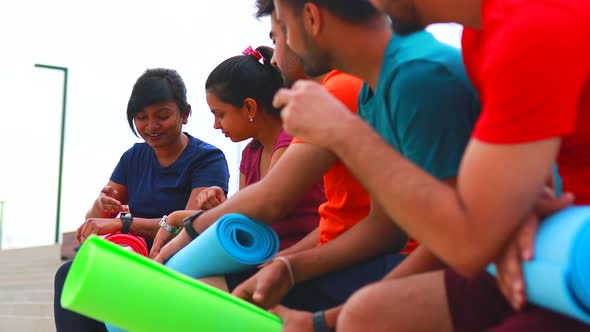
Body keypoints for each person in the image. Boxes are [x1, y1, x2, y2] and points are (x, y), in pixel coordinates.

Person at [269, 0, 590, 331]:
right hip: (550, 249)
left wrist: (343, 131)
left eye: (282, 26)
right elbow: (487, 212)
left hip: (569, 254)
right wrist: (515, 211)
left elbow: (468, 241)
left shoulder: (527, 28)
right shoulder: (479, 38)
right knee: (365, 313)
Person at [151, 1, 409, 311]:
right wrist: (287, 266)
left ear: (311, 19)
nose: (273, 59)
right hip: (349, 259)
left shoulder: (340, 91)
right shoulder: (353, 86)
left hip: (368, 266)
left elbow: (271, 200)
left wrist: (191, 230)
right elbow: (365, 224)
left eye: (277, 36)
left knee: (191, 296)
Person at [54, 68, 230, 332]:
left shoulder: (207, 159)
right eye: (141, 117)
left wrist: (124, 224)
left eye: (162, 116)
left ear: (185, 113)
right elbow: (95, 220)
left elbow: (190, 226)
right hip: (133, 254)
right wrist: (103, 205)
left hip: (178, 259)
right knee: (69, 275)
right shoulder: (133, 157)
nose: (151, 126)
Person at [151, 46, 326, 255]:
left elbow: (262, 209)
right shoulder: (250, 154)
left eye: (220, 114)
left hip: (297, 256)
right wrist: (222, 206)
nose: (216, 125)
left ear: (250, 107)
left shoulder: (290, 139)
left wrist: (176, 218)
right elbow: (244, 220)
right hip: (263, 258)